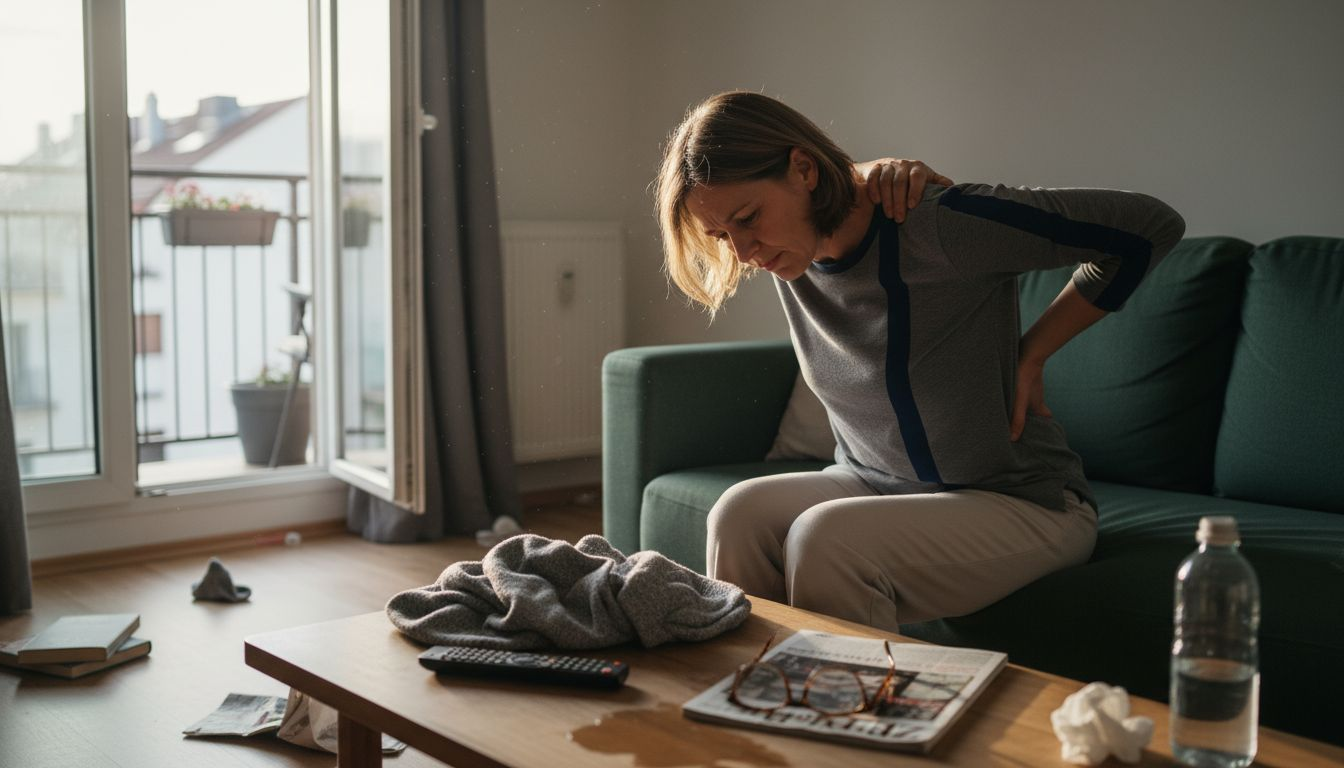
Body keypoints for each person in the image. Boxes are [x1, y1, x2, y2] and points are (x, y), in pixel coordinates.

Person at [653, 91, 1185, 631]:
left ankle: (855, 689)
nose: (744, 253)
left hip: (1023, 501)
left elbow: (1148, 227)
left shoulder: (940, 226)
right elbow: (834, 191)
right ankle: (756, 679)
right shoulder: (791, 251)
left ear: (803, 170)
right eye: (722, 236)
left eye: (748, 218)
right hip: (874, 480)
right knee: (738, 513)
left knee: (827, 540)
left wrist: (1034, 351)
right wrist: (864, 170)